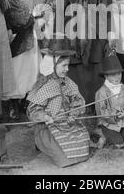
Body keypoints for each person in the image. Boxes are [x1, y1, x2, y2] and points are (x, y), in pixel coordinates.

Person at [2, 0, 54, 114]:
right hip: (19, 33)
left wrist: (45, 14)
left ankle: (28, 98)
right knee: (18, 66)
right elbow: (9, 11)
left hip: (37, 31)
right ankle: (13, 101)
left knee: (34, 66)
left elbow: (46, 3)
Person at [58, 0, 113, 105]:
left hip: (96, 33)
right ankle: (76, 105)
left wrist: (110, 33)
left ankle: (95, 106)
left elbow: (107, 7)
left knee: (95, 69)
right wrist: (60, 33)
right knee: (75, 70)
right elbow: (61, 7)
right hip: (72, 33)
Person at [26, 38, 90, 168]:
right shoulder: (44, 85)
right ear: (52, 65)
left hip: (68, 123)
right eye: (63, 66)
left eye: (68, 65)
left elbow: (78, 100)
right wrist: (45, 117)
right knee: (64, 158)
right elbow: (32, 111)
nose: (67, 69)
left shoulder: (67, 82)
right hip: (49, 126)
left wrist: (75, 112)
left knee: (82, 147)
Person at [95, 55, 124, 148]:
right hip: (109, 124)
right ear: (106, 76)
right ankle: (102, 133)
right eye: (113, 75)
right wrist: (115, 116)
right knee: (118, 144)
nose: (117, 77)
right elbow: (101, 111)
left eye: (119, 74)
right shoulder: (101, 93)